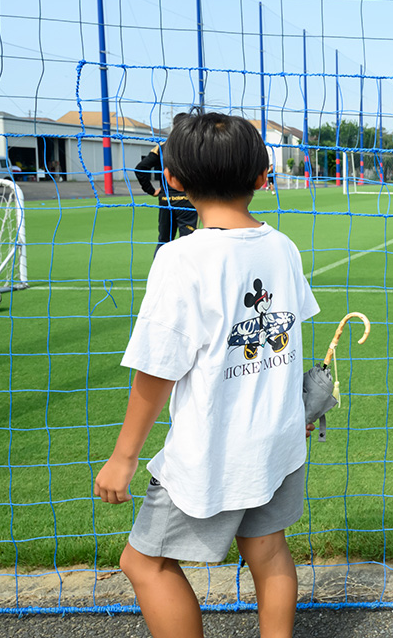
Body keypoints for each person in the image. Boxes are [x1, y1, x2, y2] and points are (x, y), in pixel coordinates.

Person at [94, 110, 320, 638]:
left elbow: (156, 370)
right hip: (279, 444)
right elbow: (281, 337)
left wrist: (124, 458)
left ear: (171, 178)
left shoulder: (181, 258)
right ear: (263, 177)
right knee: (268, 551)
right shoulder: (281, 247)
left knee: (143, 563)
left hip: (212, 454)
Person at [135, 114, 200, 254]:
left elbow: (140, 168)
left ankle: (159, 274)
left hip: (166, 201)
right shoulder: (196, 148)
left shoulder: (162, 148)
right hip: (187, 202)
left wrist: (151, 190)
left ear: (174, 126)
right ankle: (188, 275)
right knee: (189, 242)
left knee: (164, 241)